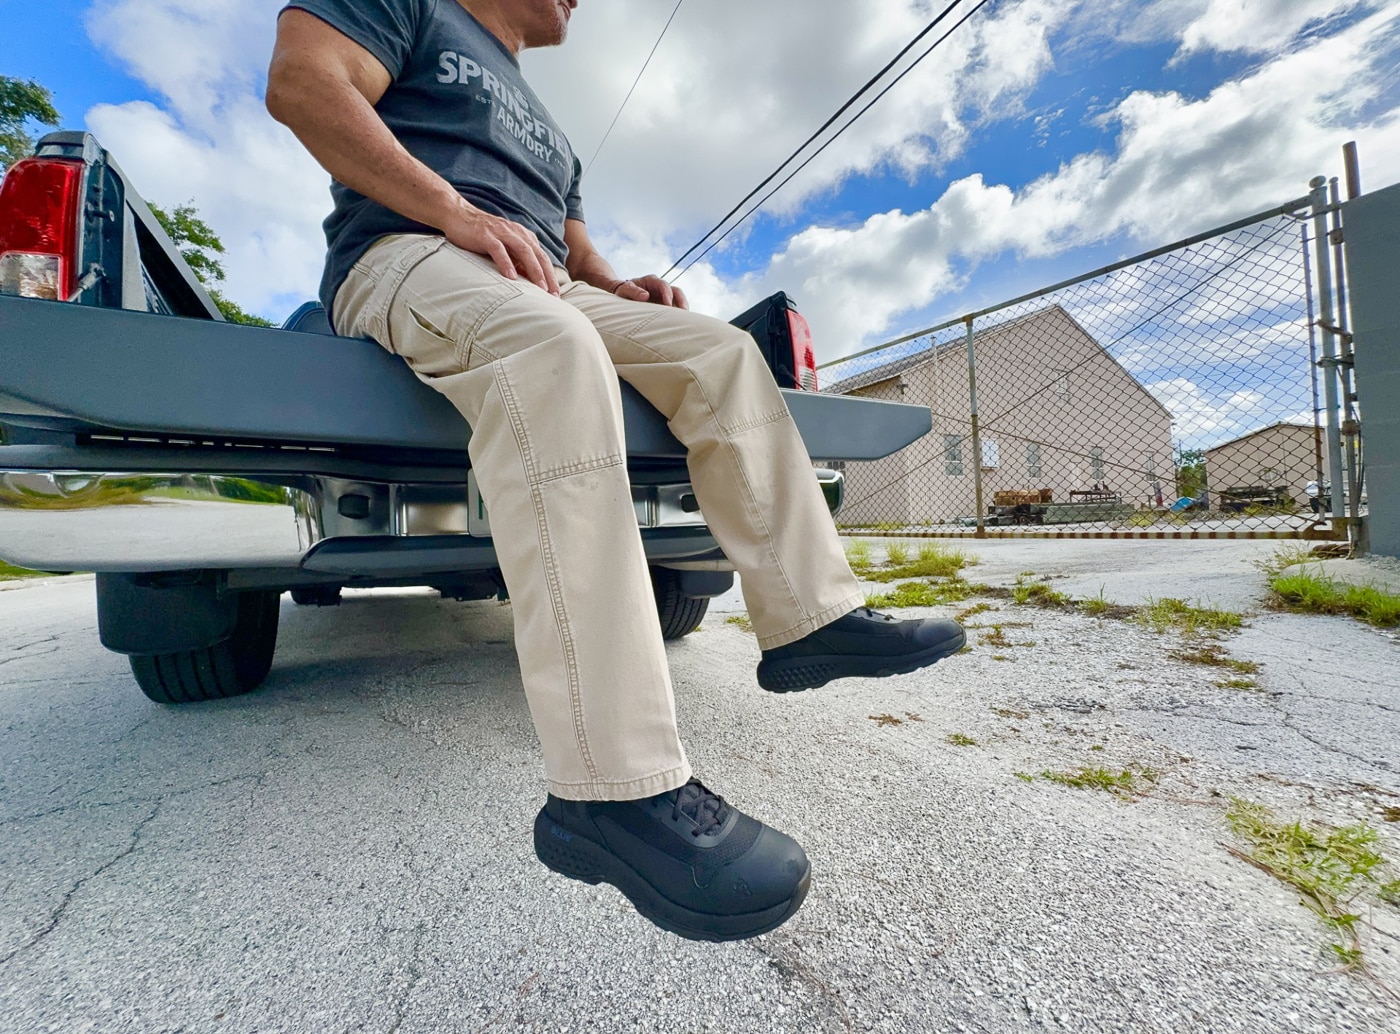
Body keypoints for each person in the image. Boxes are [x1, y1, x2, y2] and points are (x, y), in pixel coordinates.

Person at [266, 0, 965, 942]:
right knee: (550, 350)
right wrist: (452, 212)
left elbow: (578, 255)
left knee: (719, 353)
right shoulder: (411, 5)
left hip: (543, 282)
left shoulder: (551, 132)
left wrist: (623, 285)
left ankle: (811, 622)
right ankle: (613, 790)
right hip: (408, 254)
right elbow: (305, 84)